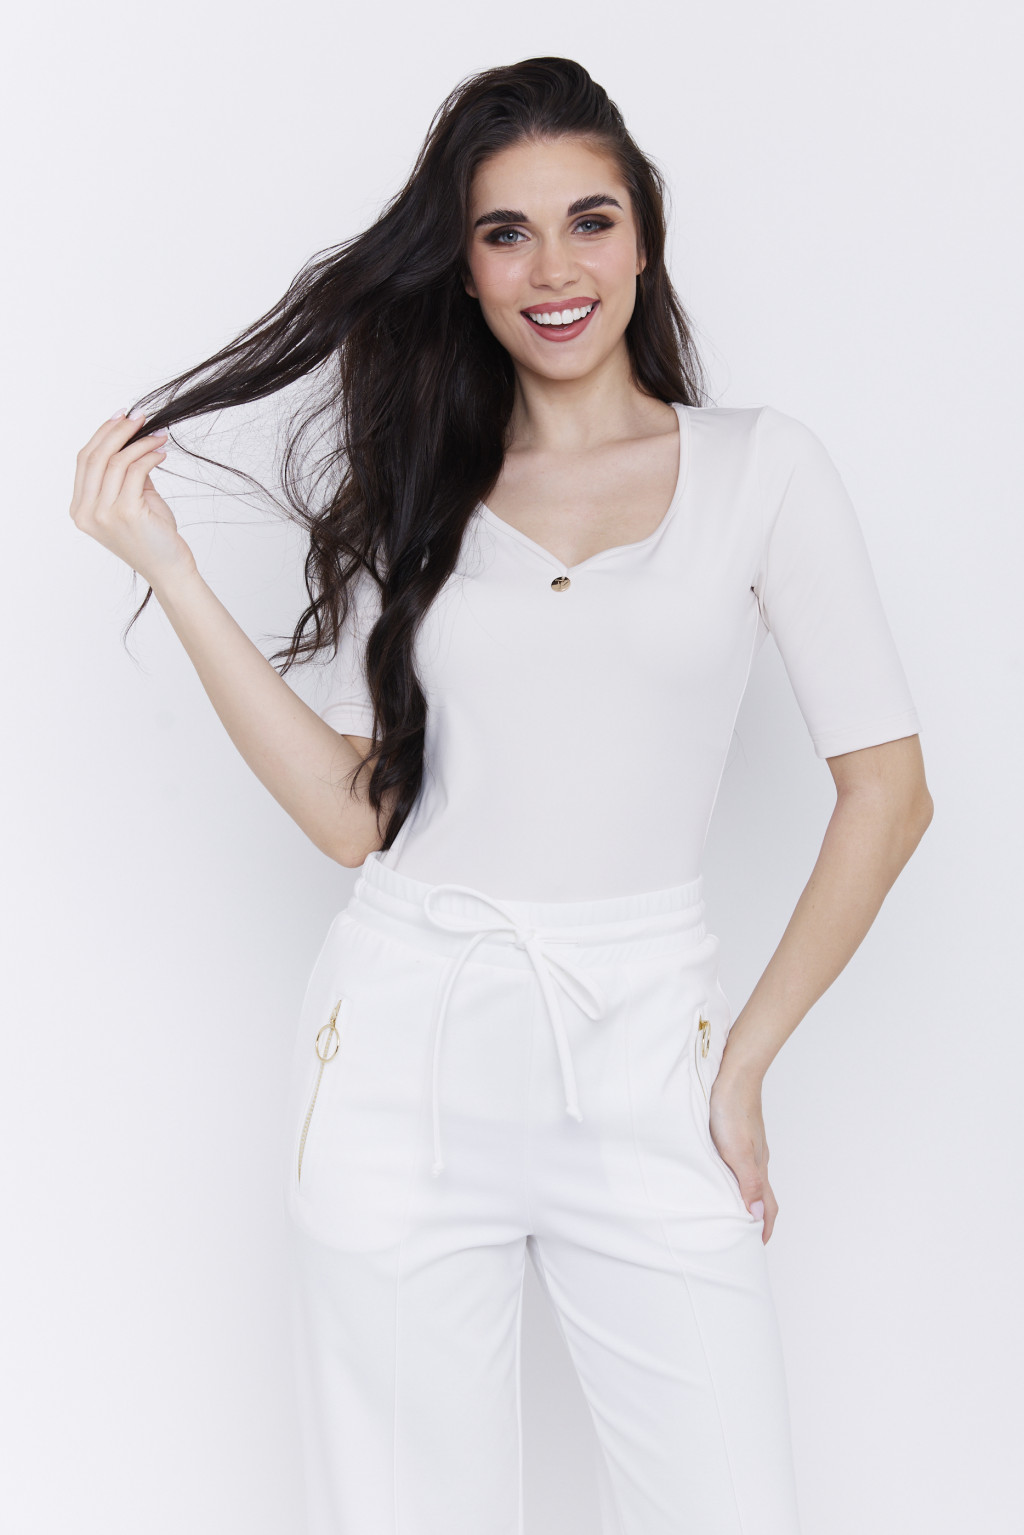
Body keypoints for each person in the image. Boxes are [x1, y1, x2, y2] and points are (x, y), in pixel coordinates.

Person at [69, 55, 932, 1535]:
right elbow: (356, 815)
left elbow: (889, 792)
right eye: (505, 233)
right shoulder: (422, 494)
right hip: (404, 1044)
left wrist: (741, 1066)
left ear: (644, 239)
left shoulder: (761, 471)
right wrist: (177, 579)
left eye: (590, 221)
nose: (554, 270)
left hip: (645, 1051)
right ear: (464, 271)